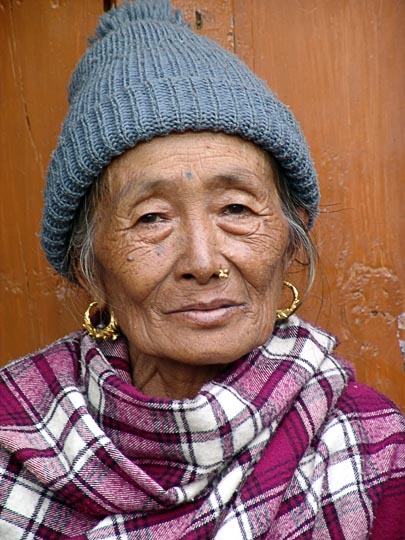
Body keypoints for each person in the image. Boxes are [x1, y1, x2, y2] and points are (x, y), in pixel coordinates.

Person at [0, 1, 404, 538]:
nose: (203, 261)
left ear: (288, 241)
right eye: (151, 219)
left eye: (236, 209)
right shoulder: (16, 434)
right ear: (91, 265)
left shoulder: (371, 448)